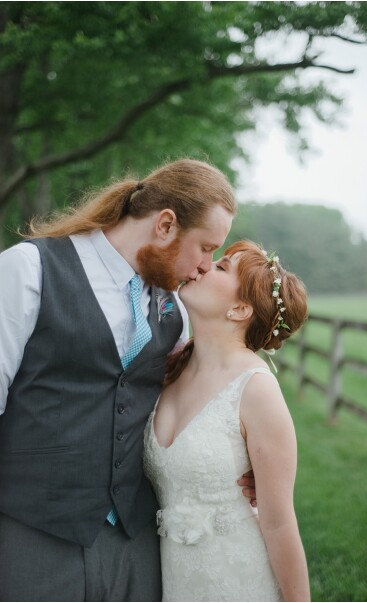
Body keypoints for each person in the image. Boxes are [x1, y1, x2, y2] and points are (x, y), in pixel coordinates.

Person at [0, 159, 256, 602]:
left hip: (135, 539)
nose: (205, 267)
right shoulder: (28, 269)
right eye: (205, 247)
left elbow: (195, 396)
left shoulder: (176, 305)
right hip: (32, 529)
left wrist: (242, 456)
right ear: (165, 225)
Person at [143, 240, 310, 602]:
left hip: (237, 580)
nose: (204, 266)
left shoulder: (256, 389)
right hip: (174, 581)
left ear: (239, 309)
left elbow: (279, 522)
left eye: (221, 267)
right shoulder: (171, 366)